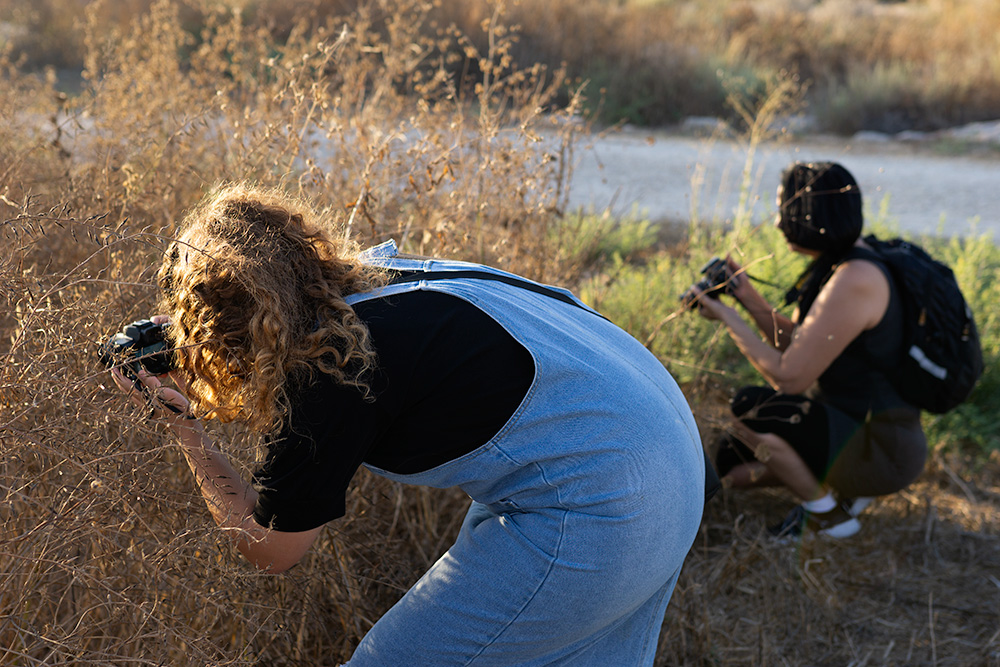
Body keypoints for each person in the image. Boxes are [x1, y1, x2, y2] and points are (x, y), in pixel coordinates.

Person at [111, 183, 706, 665]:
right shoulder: (373, 282)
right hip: (664, 446)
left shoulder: (332, 367)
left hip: (608, 499)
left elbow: (272, 549)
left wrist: (184, 428)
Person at [687, 161, 927, 540]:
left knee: (751, 410)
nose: (780, 224)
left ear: (816, 217)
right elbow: (801, 341)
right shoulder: (840, 262)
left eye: (788, 212)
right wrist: (746, 295)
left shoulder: (856, 279)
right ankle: (840, 491)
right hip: (856, 428)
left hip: (882, 451)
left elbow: (790, 376)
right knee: (732, 468)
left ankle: (828, 516)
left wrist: (727, 317)